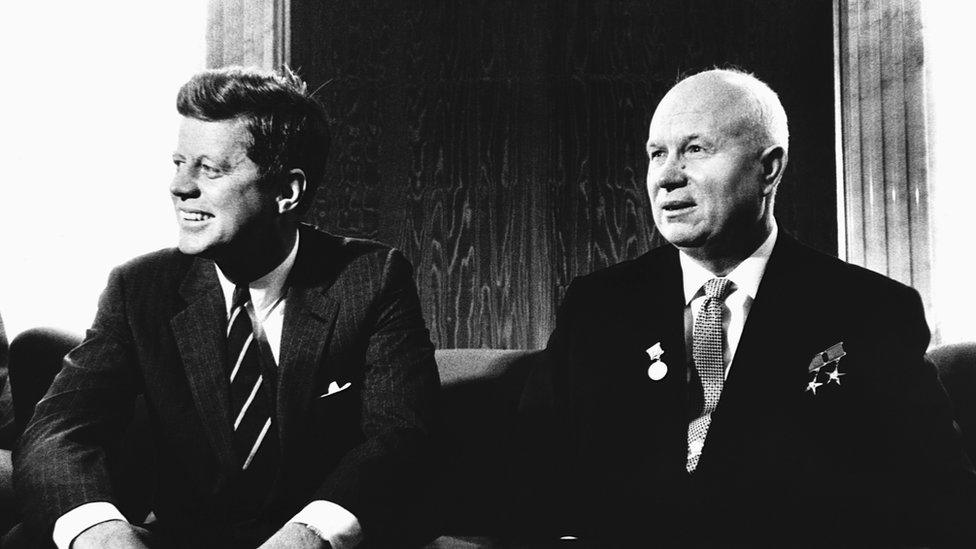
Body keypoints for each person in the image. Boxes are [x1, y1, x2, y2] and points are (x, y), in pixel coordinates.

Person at [527, 69, 976, 546]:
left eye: (695, 149)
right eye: (657, 154)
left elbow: (940, 498)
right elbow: (531, 478)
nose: (667, 176)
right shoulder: (597, 306)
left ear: (770, 169)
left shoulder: (871, 311)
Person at [14, 66, 440, 549]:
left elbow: (401, 435)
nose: (179, 187)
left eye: (209, 169)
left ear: (287, 192)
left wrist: (312, 534)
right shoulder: (140, 287)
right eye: (178, 163)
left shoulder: (371, 277)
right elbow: (59, 431)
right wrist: (100, 533)